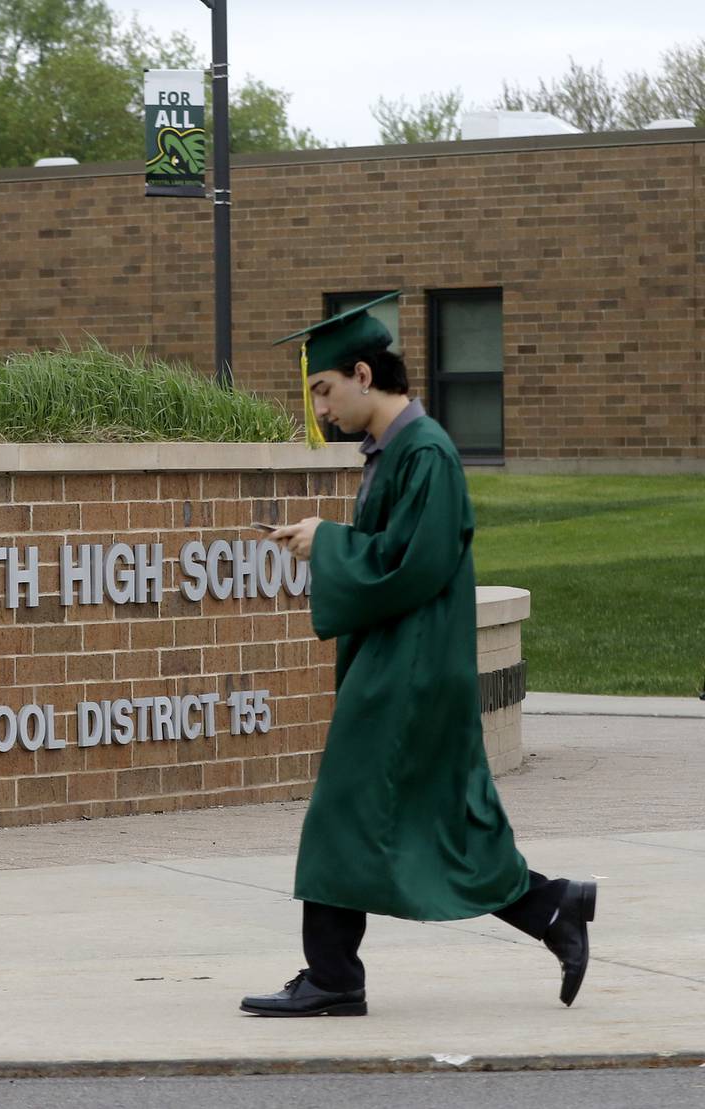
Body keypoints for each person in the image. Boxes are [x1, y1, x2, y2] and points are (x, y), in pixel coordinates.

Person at [239, 292, 595, 1018]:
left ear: (364, 375)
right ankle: (553, 908)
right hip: (403, 657)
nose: (321, 407)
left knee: (345, 809)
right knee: (433, 820)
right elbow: (399, 548)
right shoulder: (394, 451)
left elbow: (417, 563)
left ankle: (334, 974)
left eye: (324, 389)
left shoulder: (424, 451)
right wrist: (327, 534)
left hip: (414, 666)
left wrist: (328, 543)